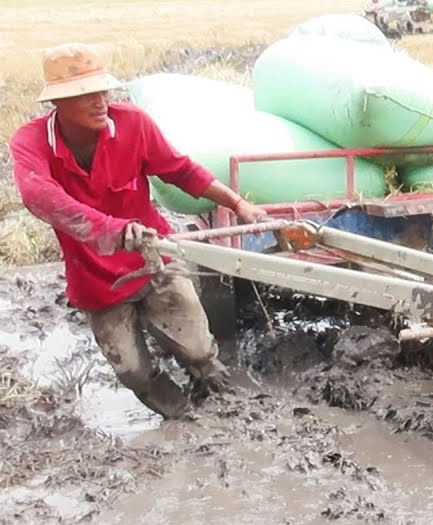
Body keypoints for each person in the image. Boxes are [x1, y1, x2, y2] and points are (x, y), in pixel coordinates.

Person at [8, 42, 270, 420]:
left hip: (154, 257)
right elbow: (40, 197)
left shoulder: (133, 124)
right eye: (85, 94)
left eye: (103, 90)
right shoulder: (32, 141)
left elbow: (180, 170)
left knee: (197, 349)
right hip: (96, 276)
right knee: (133, 372)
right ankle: (181, 417)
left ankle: (223, 403)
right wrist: (111, 230)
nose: (100, 101)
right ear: (58, 102)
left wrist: (237, 203)